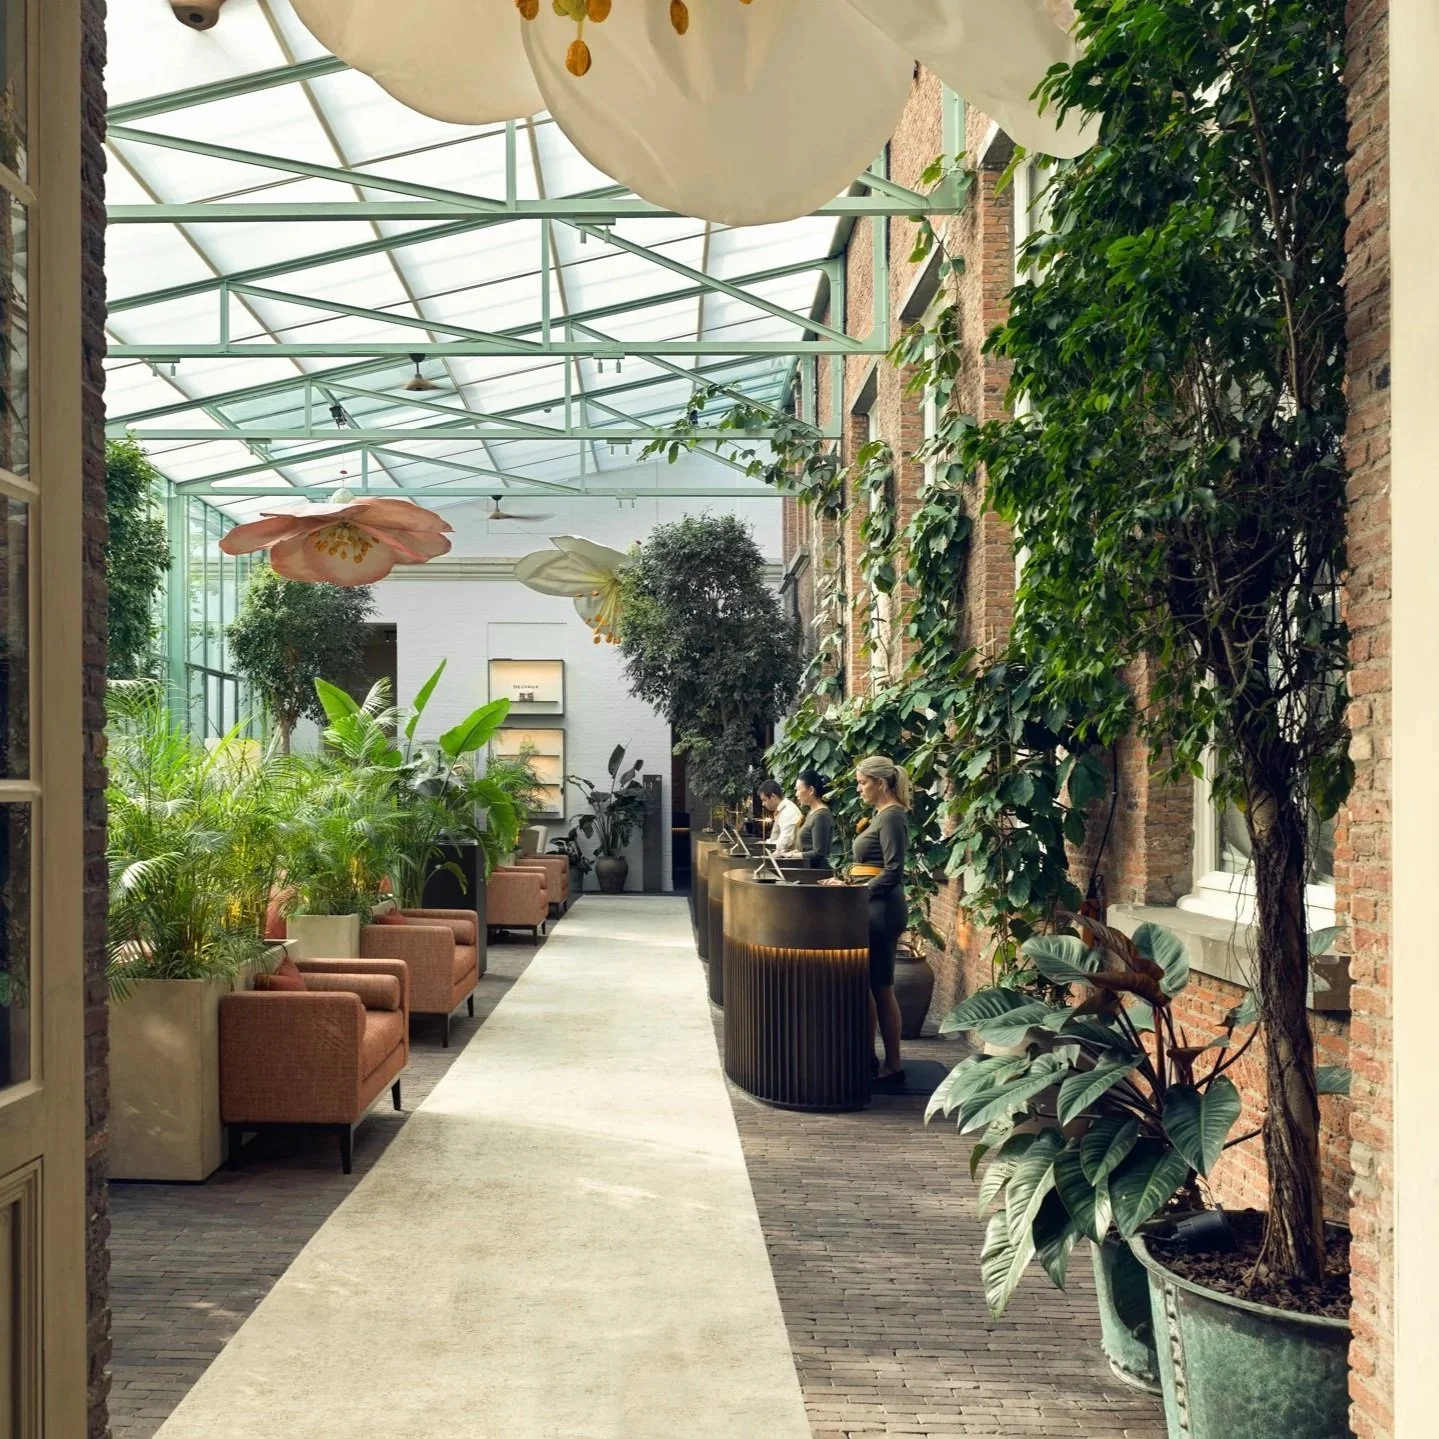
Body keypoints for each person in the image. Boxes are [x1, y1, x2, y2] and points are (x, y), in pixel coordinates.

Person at [823, 754, 909, 1084]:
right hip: (870, 905)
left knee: (880, 987)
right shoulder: (880, 816)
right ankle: (870, 1057)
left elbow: (893, 870)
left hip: (881, 911)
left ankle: (894, 1065)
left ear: (881, 783)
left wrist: (861, 892)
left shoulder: (892, 817)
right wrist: (846, 883)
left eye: (862, 783)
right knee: (869, 986)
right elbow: (870, 867)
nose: (859, 789)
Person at [784, 770, 834, 869]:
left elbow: (818, 853)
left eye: (798, 789)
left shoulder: (821, 815)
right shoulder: (812, 813)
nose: (796, 794)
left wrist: (791, 855)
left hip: (817, 874)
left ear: (811, 790)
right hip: (807, 870)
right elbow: (807, 848)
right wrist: (790, 853)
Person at [758, 778, 803, 853]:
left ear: (773, 796)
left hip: (791, 860)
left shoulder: (788, 811)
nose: (763, 804)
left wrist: (766, 847)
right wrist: (766, 844)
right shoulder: (782, 809)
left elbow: (785, 842)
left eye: (764, 800)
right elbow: (777, 838)